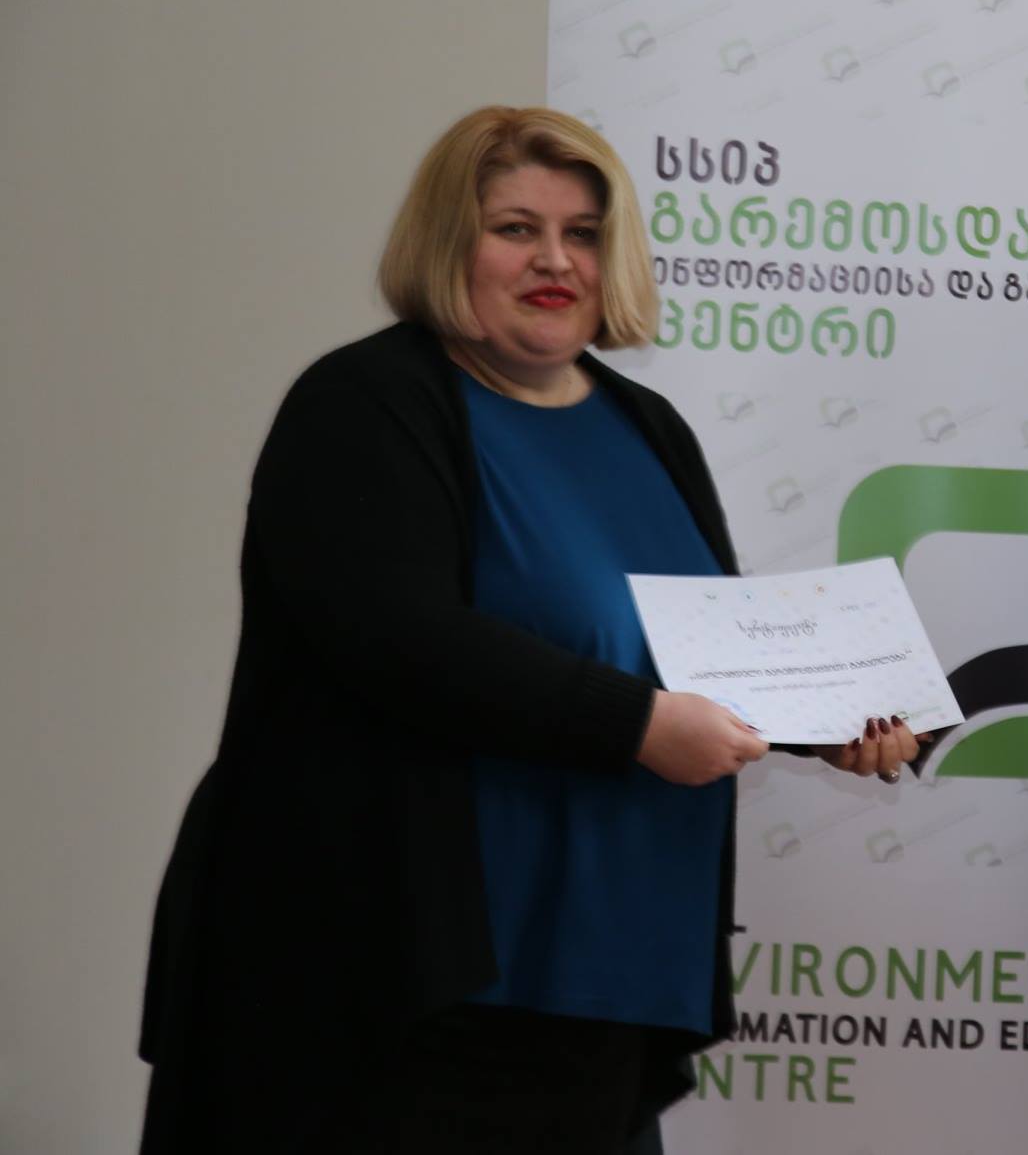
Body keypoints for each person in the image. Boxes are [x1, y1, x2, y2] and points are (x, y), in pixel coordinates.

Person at [138, 107, 923, 1155]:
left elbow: (708, 652)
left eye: (583, 233)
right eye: (516, 228)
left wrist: (822, 720)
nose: (555, 259)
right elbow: (403, 641)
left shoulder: (647, 426)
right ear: (446, 243)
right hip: (405, 981)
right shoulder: (365, 405)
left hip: (615, 968)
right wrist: (636, 724)